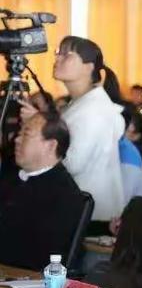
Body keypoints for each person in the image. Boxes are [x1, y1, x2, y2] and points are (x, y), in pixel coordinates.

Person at [21, 36, 125, 226]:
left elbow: (72, 163)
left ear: (89, 67)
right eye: (57, 54)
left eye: (67, 55)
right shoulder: (79, 104)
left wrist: (40, 126)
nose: (57, 59)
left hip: (92, 218)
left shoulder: (94, 109)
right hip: (79, 211)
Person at [0, 112, 84, 270]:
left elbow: (39, 254)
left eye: (26, 135)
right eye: (19, 133)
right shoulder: (10, 177)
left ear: (51, 145)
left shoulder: (65, 195)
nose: (17, 140)